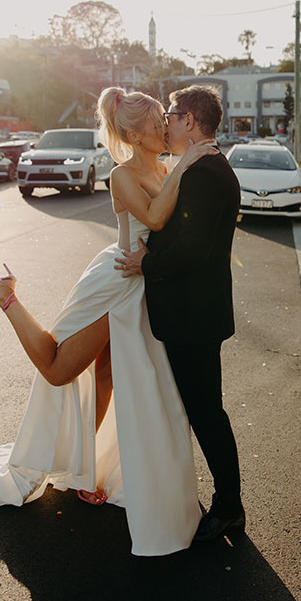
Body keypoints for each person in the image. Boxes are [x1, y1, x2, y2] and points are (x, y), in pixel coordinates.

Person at [0, 88, 215, 557]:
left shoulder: (161, 166)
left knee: (107, 373)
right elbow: (154, 215)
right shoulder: (122, 174)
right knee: (57, 368)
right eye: (156, 122)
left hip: (136, 287)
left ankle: (86, 470)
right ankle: (6, 297)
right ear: (134, 133)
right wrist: (188, 165)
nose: (165, 127)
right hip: (114, 284)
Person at [115, 85, 245, 543]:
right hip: (193, 314)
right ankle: (217, 500)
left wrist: (145, 261)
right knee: (198, 410)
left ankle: (229, 507)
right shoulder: (203, 166)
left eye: (171, 114)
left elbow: (192, 248)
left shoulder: (205, 171)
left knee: (207, 413)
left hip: (195, 318)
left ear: (190, 120)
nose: (165, 122)